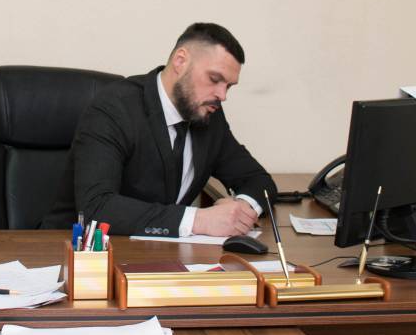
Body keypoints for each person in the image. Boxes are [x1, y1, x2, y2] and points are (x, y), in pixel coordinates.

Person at [43, 23, 276, 237]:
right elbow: (97, 208)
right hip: (73, 253)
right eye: (214, 79)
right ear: (180, 61)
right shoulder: (114, 108)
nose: (222, 95)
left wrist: (241, 209)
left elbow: (259, 180)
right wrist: (199, 220)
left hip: (157, 254)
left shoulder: (208, 114)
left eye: (229, 86)